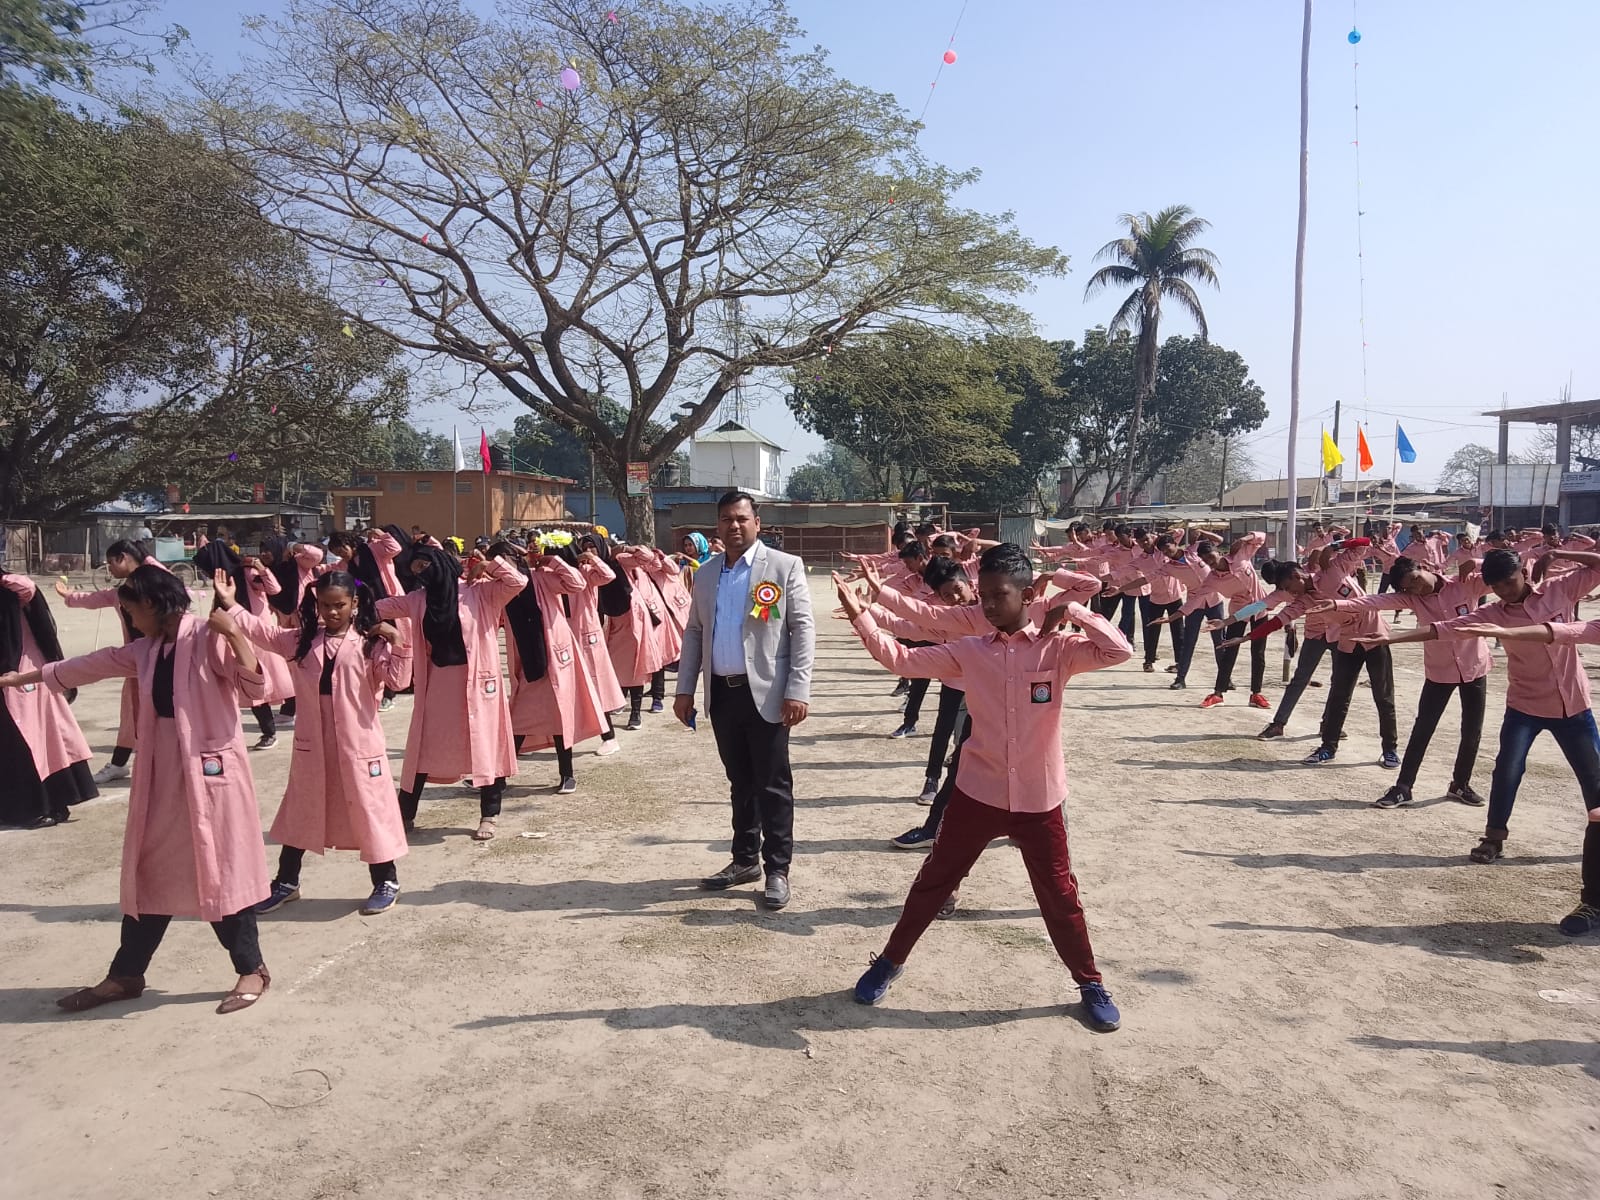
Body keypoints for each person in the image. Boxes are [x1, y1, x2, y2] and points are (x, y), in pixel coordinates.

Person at [836, 544, 1129, 1032]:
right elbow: (901, 660)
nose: (988, 605)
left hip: (1039, 799)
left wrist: (1072, 609)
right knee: (934, 882)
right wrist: (862, 617)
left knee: (1059, 895)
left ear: (1028, 594)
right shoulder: (971, 651)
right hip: (978, 794)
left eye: (999, 595)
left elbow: (1120, 650)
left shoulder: (1057, 650)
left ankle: (1089, 982)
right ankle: (888, 961)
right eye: (984, 595)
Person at [1, 566, 272, 1014]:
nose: (130, 619)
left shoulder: (207, 637)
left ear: (151, 605)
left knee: (218, 868)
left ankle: (252, 968)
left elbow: (256, 687)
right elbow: (92, 664)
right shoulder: (147, 650)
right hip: (162, 775)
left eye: (131, 611)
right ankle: (126, 975)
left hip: (211, 778)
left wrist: (235, 634)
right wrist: (22, 678)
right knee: (150, 869)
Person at [1355, 547, 1600, 935]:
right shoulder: (1493, 614)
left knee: (1595, 786)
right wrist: (1391, 639)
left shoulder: (1560, 589)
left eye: (1509, 582)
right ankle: (1493, 839)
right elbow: (1442, 629)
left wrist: (1556, 551)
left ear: (1523, 573)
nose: (1505, 591)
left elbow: (1582, 600)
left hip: (1574, 706)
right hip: (1525, 706)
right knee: (1506, 771)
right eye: (1497, 587)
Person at [221, 570, 412, 917]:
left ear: (354, 603)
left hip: (359, 745)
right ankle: (286, 882)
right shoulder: (302, 641)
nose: (332, 612)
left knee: (370, 810)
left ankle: (386, 880)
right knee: (301, 810)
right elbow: (262, 632)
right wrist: (231, 604)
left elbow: (398, 681)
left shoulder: (369, 643)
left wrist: (397, 640)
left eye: (340, 605)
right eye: (325, 605)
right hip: (313, 744)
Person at [674, 491, 814, 911]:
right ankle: (744, 859)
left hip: (768, 695)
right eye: (725, 519)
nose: (733, 526)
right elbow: (695, 631)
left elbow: (802, 629)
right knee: (740, 782)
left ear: (757, 522)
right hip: (723, 692)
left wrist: (797, 689)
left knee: (773, 784)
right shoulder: (706, 573)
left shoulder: (783, 566)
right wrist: (685, 688)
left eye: (741, 518)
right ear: (717, 525)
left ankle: (777, 869)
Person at [1313, 555, 1492, 807]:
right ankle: (1403, 787)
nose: (1417, 588)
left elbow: (1508, 570)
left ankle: (1460, 784)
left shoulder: (1464, 584)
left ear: (1422, 567)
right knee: (1423, 730)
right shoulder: (1412, 598)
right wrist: (1337, 604)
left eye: (1415, 580)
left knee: (1472, 731)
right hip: (1440, 672)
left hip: (1475, 667)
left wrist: (1476, 560)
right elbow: (1373, 601)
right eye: (1410, 588)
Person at [377, 545, 522, 841]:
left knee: (485, 746)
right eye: (415, 569)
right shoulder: (419, 599)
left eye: (424, 566)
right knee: (424, 746)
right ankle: (405, 814)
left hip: (478, 683)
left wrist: (489, 565)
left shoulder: (479, 592)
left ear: (440, 562)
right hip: (439, 682)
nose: (421, 574)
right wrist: (351, 583)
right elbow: (377, 606)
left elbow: (517, 582)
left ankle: (489, 814)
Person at [500, 537, 610, 794]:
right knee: (519, 717)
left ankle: (567, 774)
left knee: (560, 715)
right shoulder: (500, 587)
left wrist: (553, 561)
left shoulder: (542, 577)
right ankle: (499, 775)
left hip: (554, 656)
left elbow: (577, 583)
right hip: (527, 658)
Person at [54, 538, 168, 783]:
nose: (110, 570)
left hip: (161, 660)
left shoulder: (156, 577)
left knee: (157, 714)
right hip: (136, 658)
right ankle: (120, 763)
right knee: (132, 713)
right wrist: (71, 598)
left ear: (123, 558)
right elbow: (105, 597)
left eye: (110, 563)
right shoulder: (127, 586)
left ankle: (159, 765)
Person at [0, 573, 98, 827]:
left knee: (35, 740)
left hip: (22, 674)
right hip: (19, 676)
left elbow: (27, 588)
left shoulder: (12, 588)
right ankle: (37, 805)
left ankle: (42, 806)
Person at [198, 540, 294, 749]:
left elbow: (274, 589)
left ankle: (271, 730)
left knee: (258, 684)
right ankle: (271, 727)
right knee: (248, 686)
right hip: (235, 636)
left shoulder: (247, 573)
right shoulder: (221, 580)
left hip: (257, 636)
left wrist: (259, 567)